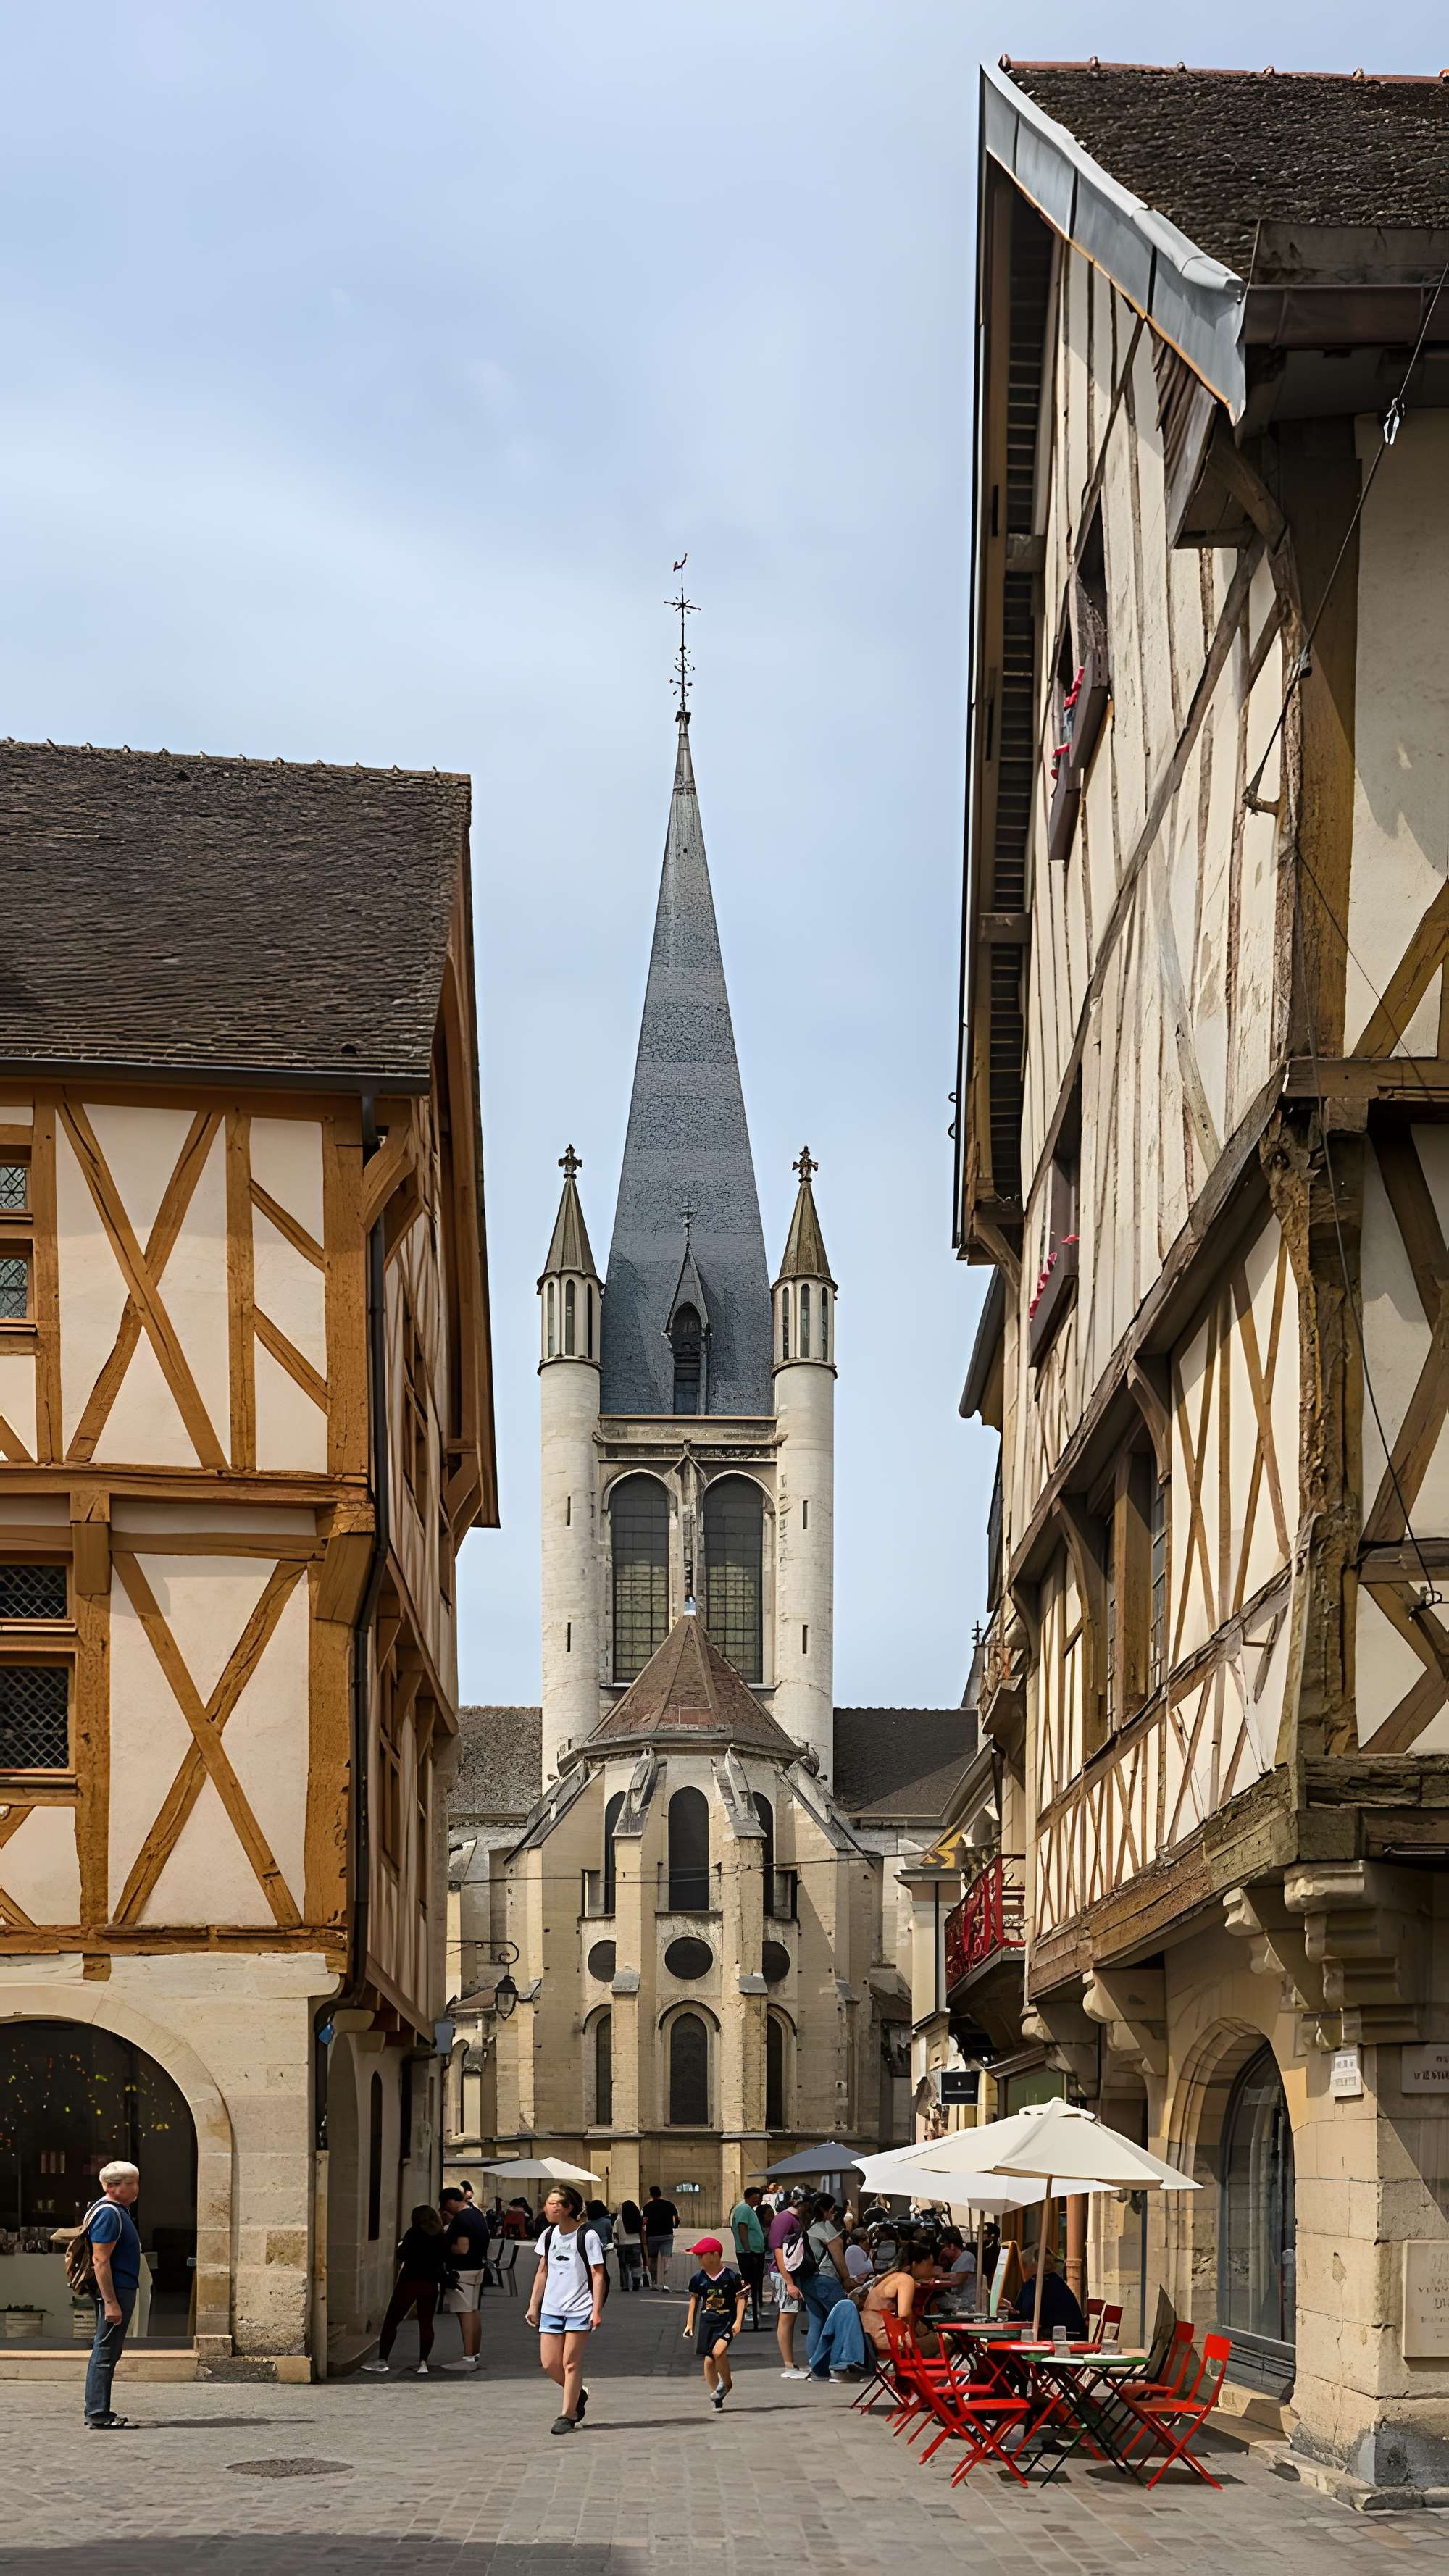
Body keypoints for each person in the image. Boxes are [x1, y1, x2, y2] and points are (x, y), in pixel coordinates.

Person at [526, 2184, 606, 2434]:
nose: (548, 2208)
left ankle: (568, 2414)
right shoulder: (548, 2235)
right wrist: (533, 2305)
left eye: (554, 2204)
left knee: (571, 2363)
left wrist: (596, 2309)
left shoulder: (588, 2236)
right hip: (552, 2307)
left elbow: (598, 2274)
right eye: (548, 2204)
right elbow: (542, 2271)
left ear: (568, 2207)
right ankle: (578, 2394)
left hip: (579, 2307)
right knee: (550, 2364)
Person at [83, 2159, 143, 2429]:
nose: (136, 2189)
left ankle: (98, 2410)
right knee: (106, 2350)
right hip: (116, 2290)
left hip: (120, 2288)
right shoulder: (109, 2214)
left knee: (108, 2349)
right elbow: (101, 2260)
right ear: (111, 2187)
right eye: (130, 2184)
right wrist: (111, 2302)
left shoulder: (117, 2210)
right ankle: (98, 2413)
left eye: (135, 2182)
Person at [363, 2204, 451, 2376]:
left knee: (392, 2320)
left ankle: (382, 2361)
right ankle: (423, 2362)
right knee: (426, 2323)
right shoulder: (440, 2235)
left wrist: (401, 2244)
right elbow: (445, 2256)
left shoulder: (414, 2233)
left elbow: (402, 2254)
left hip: (409, 2282)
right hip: (430, 2283)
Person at [682, 2235, 748, 2411]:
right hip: (707, 2323)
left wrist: (739, 2321)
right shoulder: (698, 2279)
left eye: (700, 2256)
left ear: (714, 2255)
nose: (699, 2260)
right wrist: (690, 2324)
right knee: (708, 2361)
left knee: (718, 2352)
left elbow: (741, 2298)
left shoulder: (731, 2277)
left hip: (726, 2321)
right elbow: (694, 2300)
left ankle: (727, 2383)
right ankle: (717, 2394)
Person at [792, 2193, 853, 2380]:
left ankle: (817, 2367)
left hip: (809, 2281)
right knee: (842, 2320)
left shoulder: (807, 2227)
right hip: (826, 2280)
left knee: (817, 2323)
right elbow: (837, 2254)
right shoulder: (823, 2229)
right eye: (833, 2209)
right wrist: (847, 2278)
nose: (835, 2213)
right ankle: (839, 2366)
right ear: (824, 2210)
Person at [860, 2241, 941, 2359]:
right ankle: (928, 2376)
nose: (932, 2270)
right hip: (886, 2339)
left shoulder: (890, 2277)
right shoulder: (905, 2279)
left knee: (930, 2338)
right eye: (930, 2265)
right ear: (915, 2264)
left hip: (870, 2336)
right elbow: (904, 2314)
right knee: (947, 2338)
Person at [439, 2185, 490, 2373]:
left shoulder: (461, 2219)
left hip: (462, 2271)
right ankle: (474, 2354)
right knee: (473, 2310)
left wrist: (445, 2246)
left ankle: (468, 2357)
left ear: (451, 2202)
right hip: (478, 2267)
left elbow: (462, 2248)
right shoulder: (476, 2213)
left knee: (465, 2312)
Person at [767, 2197, 808, 2379]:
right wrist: (789, 2282)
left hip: (790, 2273)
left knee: (790, 2317)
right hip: (784, 2273)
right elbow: (777, 2249)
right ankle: (788, 2364)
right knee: (787, 2316)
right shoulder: (785, 2219)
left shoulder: (796, 2219)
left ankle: (790, 2362)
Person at [1011, 2246, 1087, 2340]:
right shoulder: (1058, 2282)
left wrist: (1011, 2311)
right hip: (1075, 2335)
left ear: (1035, 2265)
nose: (1023, 2270)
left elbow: (1026, 2313)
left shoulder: (1034, 2284)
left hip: (1058, 2339)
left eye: (1024, 2265)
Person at [728, 2186, 768, 2328]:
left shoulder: (749, 2209)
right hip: (749, 2253)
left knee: (753, 2282)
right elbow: (742, 2228)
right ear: (748, 2197)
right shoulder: (744, 2209)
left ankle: (751, 2310)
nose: (758, 2198)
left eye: (759, 2196)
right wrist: (748, 2249)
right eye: (755, 2196)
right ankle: (747, 2311)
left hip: (753, 2252)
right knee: (749, 2283)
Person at [643, 2185, 679, 2289]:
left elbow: (645, 2221)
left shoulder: (647, 2207)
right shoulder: (669, 2205)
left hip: (652, 2236)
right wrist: (675, 2226)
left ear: (651, 2194)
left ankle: (654, 2283)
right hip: (667, 2235)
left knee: (653, 2259)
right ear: (660, 2193)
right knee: (666, 2259)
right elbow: (677, 2219)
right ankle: (665, 2283)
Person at [614, 2198, 646, 2291]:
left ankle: (625, 2286)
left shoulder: (619, 2220)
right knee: (636, 2265)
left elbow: (615, 2233)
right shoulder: (638, 2219)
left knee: (624, 2266)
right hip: (636, 2243)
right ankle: (636, 2284)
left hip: (623, 2245)